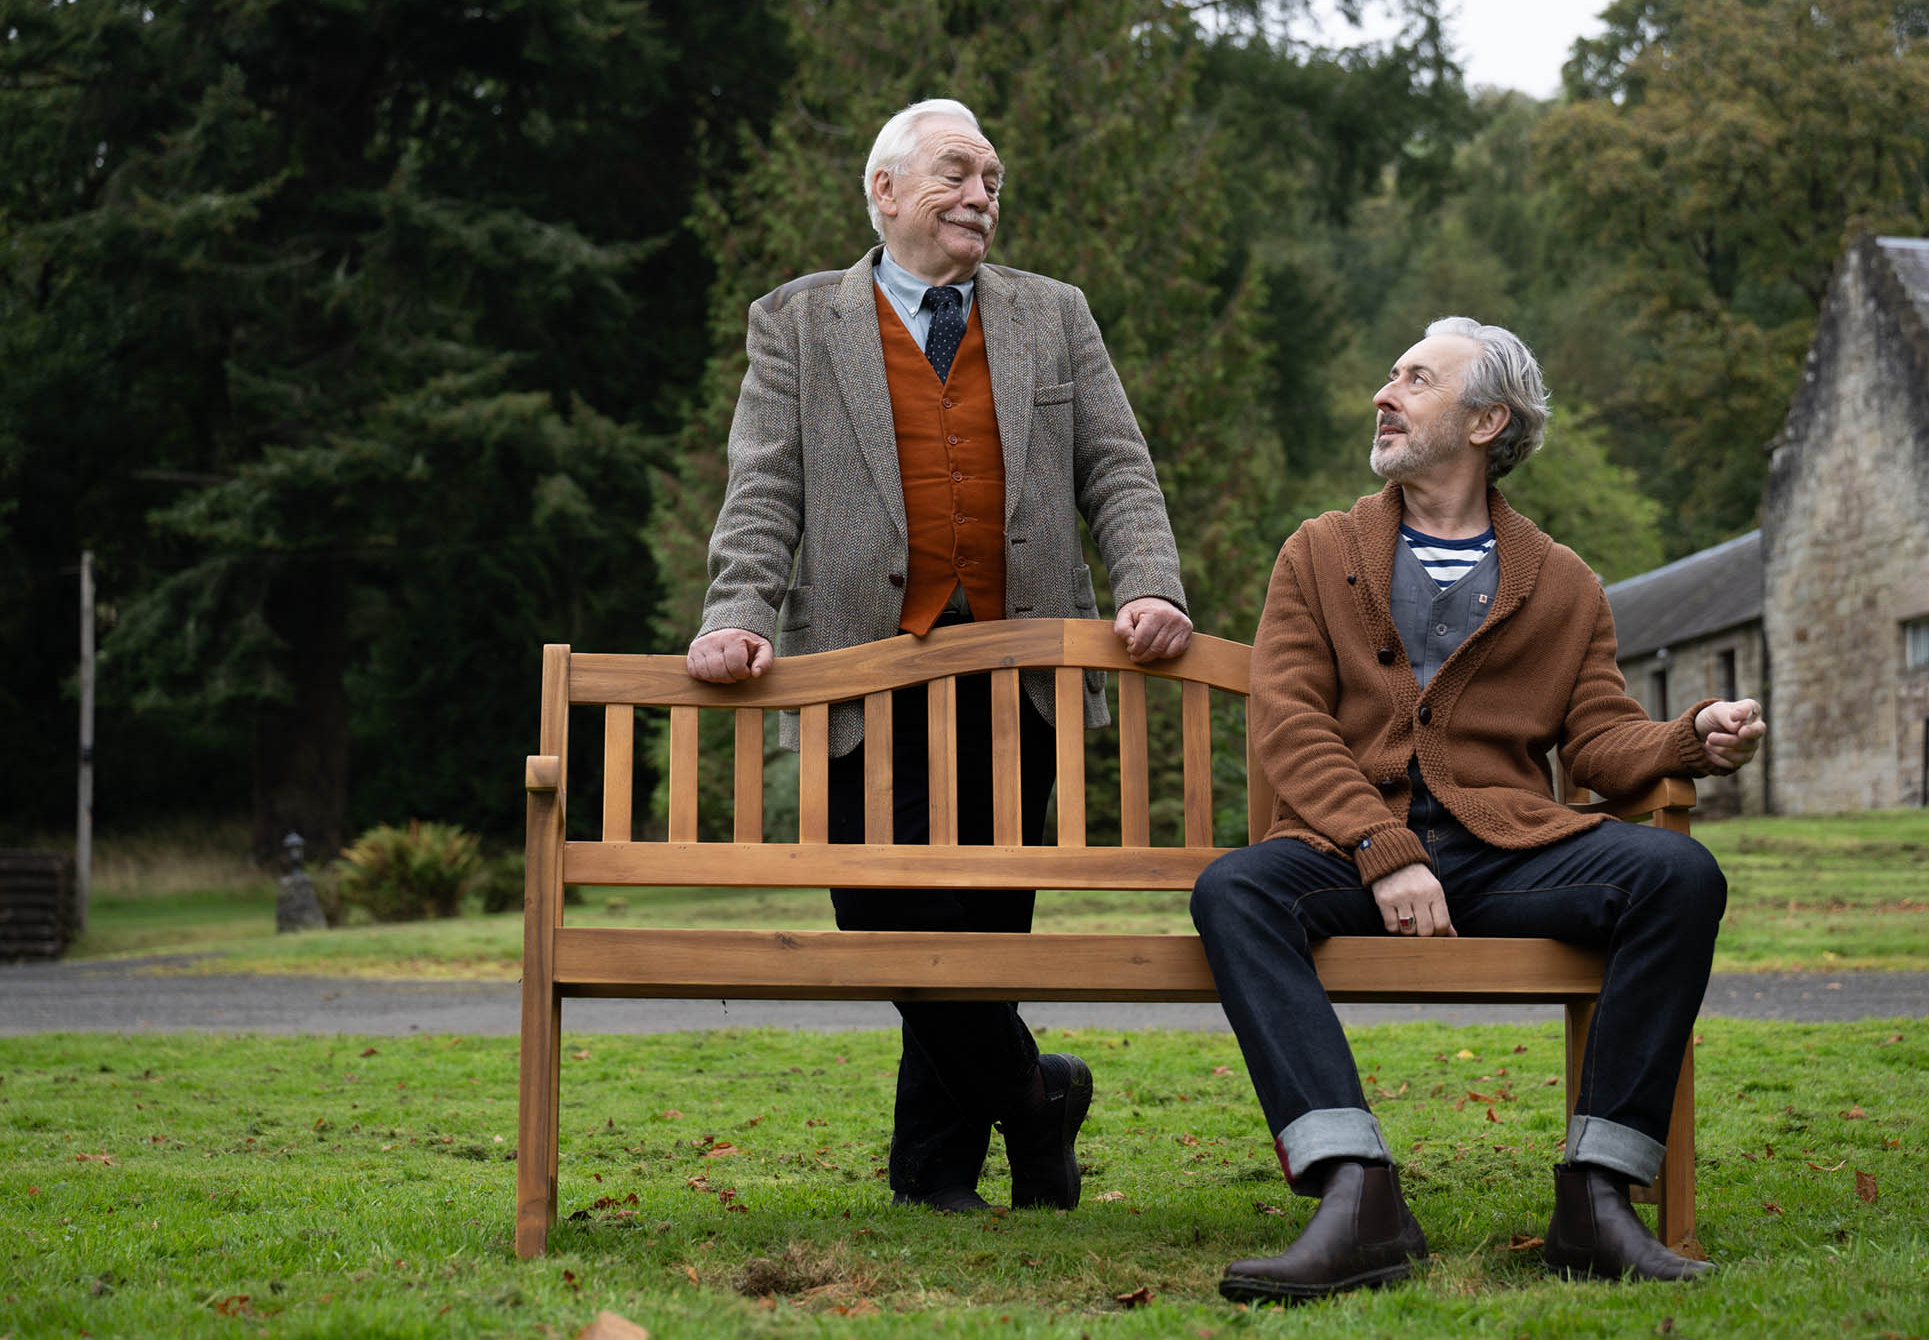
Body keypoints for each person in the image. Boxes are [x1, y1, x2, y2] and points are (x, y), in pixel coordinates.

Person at [1189, 317, 1765, 1301]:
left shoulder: (1565, 581)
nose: (1386, 390)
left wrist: (1685, 738)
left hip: (1506, 852)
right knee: (1236, 889)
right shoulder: (1319, 552)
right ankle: (1356, 1193)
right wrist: (1382, 844)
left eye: (1416, 378)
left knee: (1679, 874)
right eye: (1392, 372)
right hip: (1347, 848)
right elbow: (1287, 721)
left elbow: (1596, 736)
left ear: (1487, 418)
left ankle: (1598, 1196)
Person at [688, 98, 1192, 1214]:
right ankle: (1038, 1091)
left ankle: (934, 1177)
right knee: (878, 920)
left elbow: (1117, 466)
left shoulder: (1054, 314)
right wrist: (740, 608)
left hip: (1021, 679)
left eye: (995, 181)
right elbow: (764, 485)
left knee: (981, 925)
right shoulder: (798, 321)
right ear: (884, 190)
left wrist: (1150, 584)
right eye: (958, 174)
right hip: (862, 678)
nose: (982, 197)